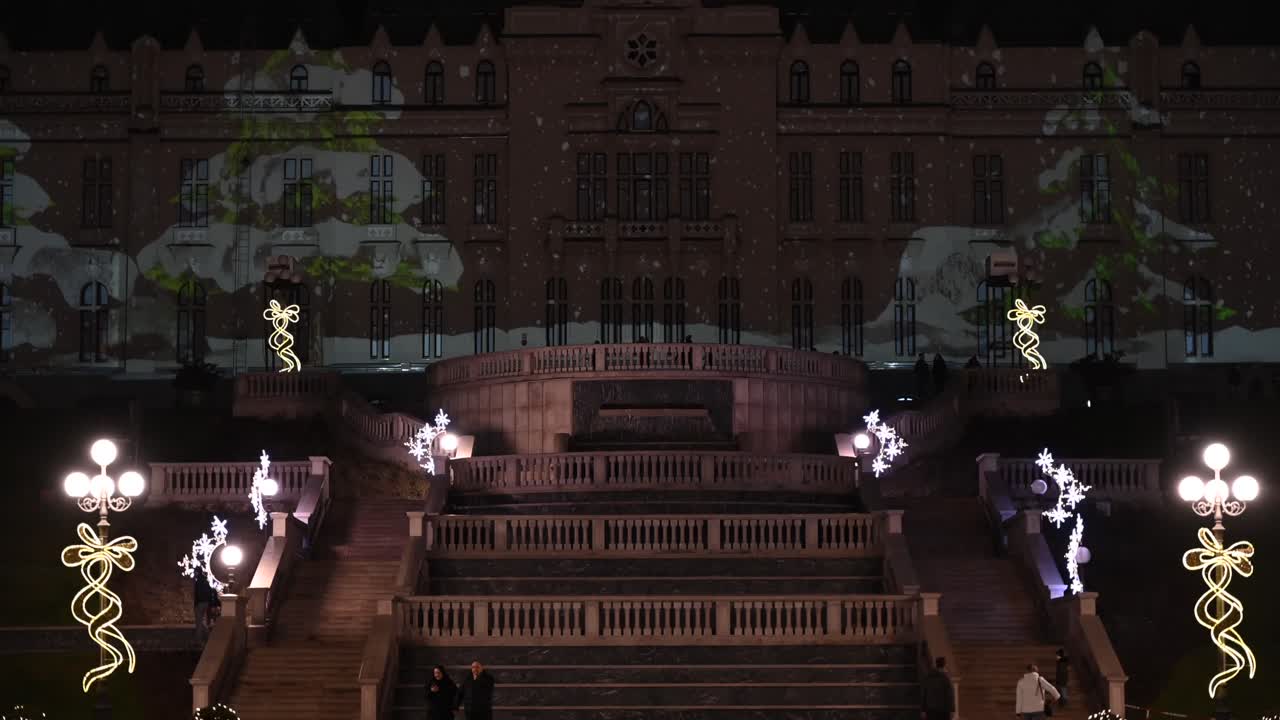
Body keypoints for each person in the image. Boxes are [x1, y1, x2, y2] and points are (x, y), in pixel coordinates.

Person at [920, 656, 955, 720]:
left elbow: (924, 694)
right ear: (944, 665)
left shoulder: (928, 677)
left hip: (930, 709)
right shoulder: (946, 678)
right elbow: (949, 695)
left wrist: (923, 710)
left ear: (936, 664)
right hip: (943, 710)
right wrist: (952, 710)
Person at [193, 573, 215, 643]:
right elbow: (210, 592)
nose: (194, 574)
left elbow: (197, 594)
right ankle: (209, 637)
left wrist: (196, 603)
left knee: (199, 622)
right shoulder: (206, 581)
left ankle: (199, 640)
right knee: (202, 621)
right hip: (206, 603)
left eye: (195, 573)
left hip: (200, 603)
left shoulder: (198, 582)